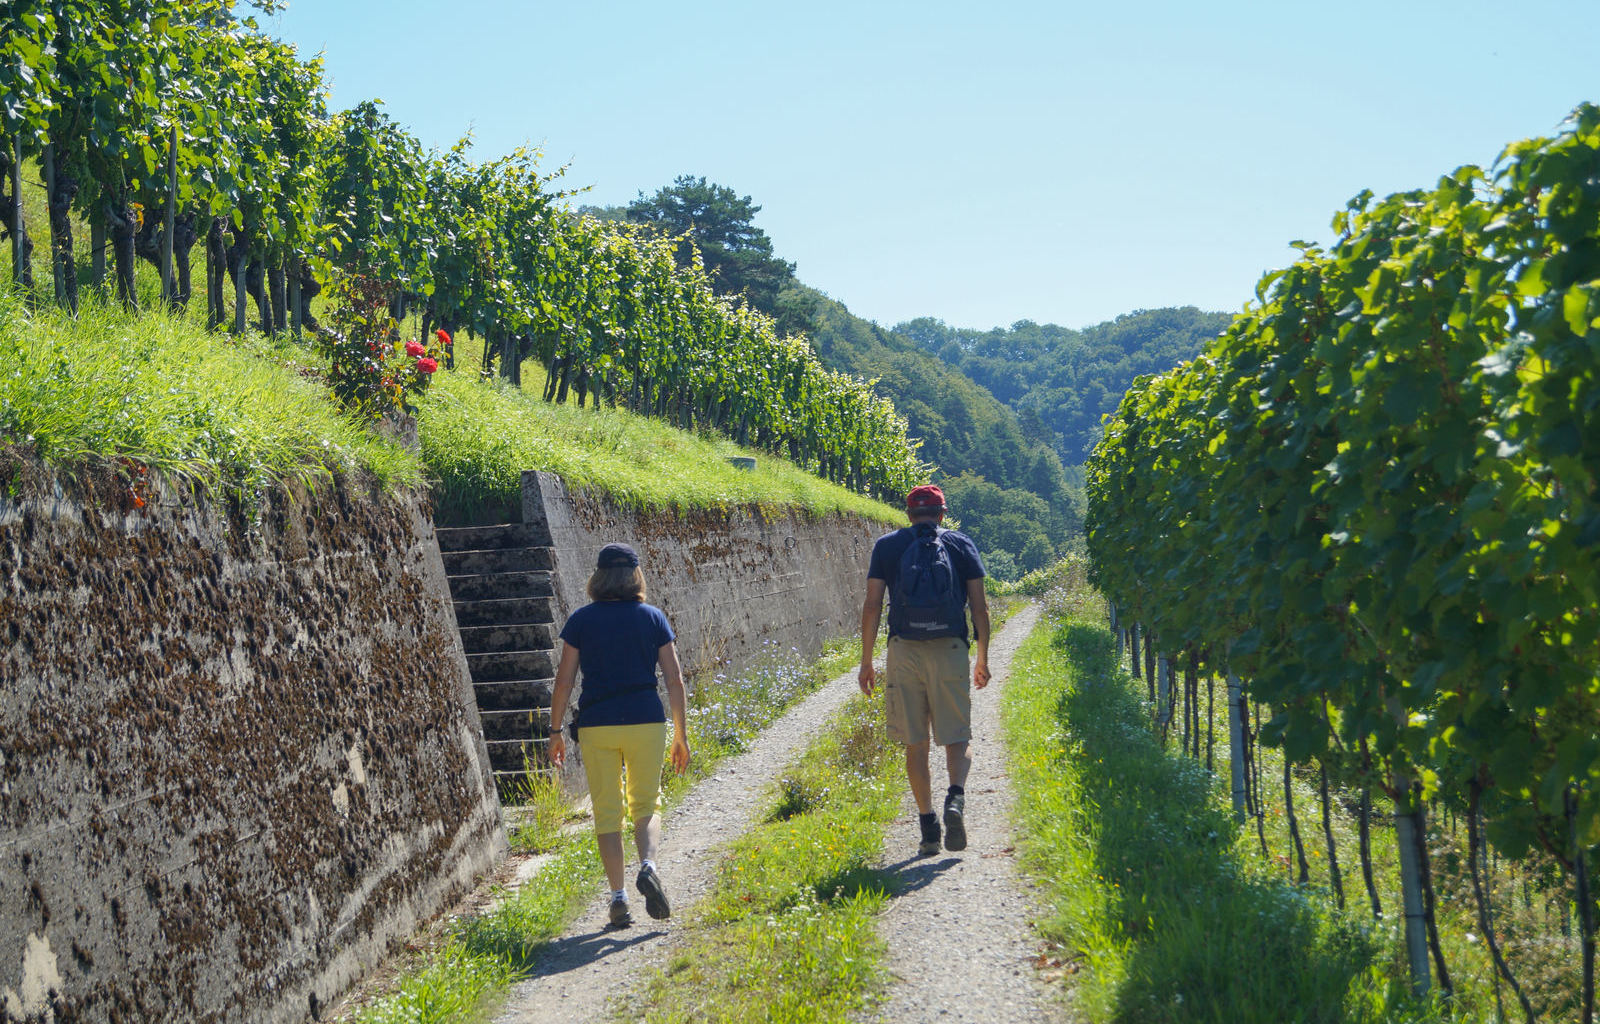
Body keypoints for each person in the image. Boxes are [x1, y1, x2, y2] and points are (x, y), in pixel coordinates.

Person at [548, 542, 691, 929]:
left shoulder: (581, 620)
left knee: (607, 812)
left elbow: (564, 681)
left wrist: (555, 730)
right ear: (635, 575)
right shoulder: (652, 617)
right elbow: (675, 679)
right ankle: (648, 865)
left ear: (597, 577)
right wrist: (681, 733)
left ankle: (618, 897)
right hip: (646, 718)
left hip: (597, 723)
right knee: (646, 804)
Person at [858, 484, 990, 856]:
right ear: (942, 514)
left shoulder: (887, 546)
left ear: (908, 514)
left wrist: (867, 661)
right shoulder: (961, 545)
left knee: (915, 744)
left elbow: (871, 606)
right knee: (956, 736)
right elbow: (979, 608)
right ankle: (956, 798)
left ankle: (928, 827)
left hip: (904, 650)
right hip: (949, 648)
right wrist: (982, 657)